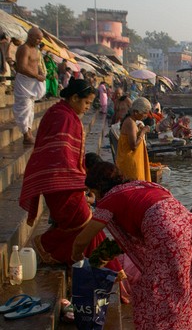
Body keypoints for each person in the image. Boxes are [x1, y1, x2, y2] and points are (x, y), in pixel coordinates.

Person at [71, 162, 192, 330]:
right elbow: (131, 234)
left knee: (151, 300)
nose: (91, 198)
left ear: (97, 188)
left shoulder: (110, 199)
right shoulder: (143, 186)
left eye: (91, 193)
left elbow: (84, 238)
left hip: (167, 237)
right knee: (183, 299)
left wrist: (76, 257)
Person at [19, 79, 118, 268]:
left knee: (87, 223)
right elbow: (60, 155)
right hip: (61, 184)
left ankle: (97, 265)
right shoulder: (62, 117)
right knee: (85, 222)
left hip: (67, 183)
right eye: (87, 102)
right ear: (74, 98)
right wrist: (81, 181)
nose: (89, 107)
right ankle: (46, 244)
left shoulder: (63, 114)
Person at [13, 27, 46, 144]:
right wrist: (37, 76)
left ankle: (29, 133)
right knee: (24, 108)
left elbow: (36, 65)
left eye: (40, 39)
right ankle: (26, 135)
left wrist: (41, 73)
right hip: (24, 82)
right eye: (37, 38)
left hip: (33, 82)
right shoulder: (24, 49)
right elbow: (21, 67)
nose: (39, 41)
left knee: (30, 109)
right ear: (30, 36)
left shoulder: (36, 50)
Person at [116, 97, 152, 181]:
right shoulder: (130, 123)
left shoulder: (132, 122)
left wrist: (139, 130)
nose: (145, 116)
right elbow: (133, 146)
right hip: (130, 163)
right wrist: (143, 131)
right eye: (144, 113)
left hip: (132, 161)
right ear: (136, 112)